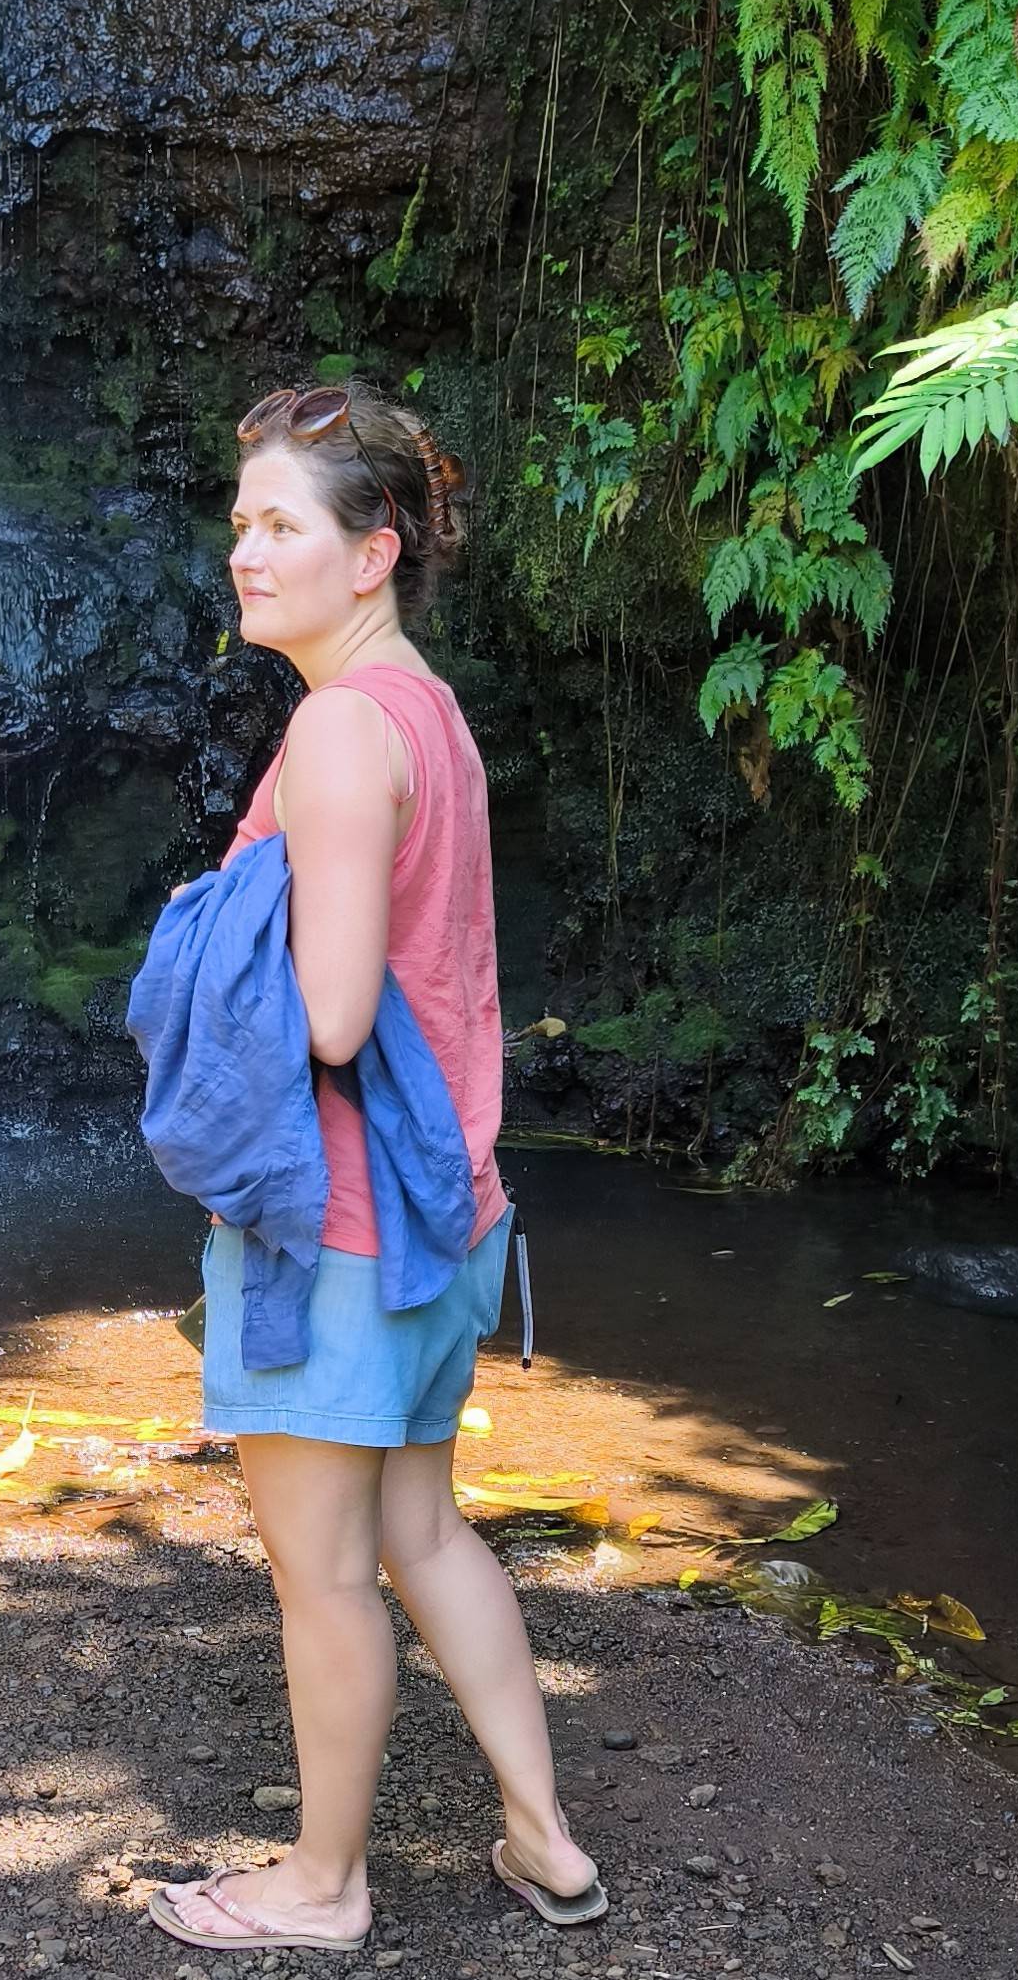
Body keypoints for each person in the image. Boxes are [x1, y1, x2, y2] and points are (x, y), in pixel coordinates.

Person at [147, 382, 606, 1953]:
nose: (245, 552)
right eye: (240, 523)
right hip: (443, 1213)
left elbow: (334, 1013)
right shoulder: (425, 711)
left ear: (374, 550)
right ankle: (542, 1833)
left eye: (281, 524)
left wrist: (205, 959)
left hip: (338, 1227)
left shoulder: (341, 730)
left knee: (327, 1574)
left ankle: (323, 1882)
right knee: (424, 1530)